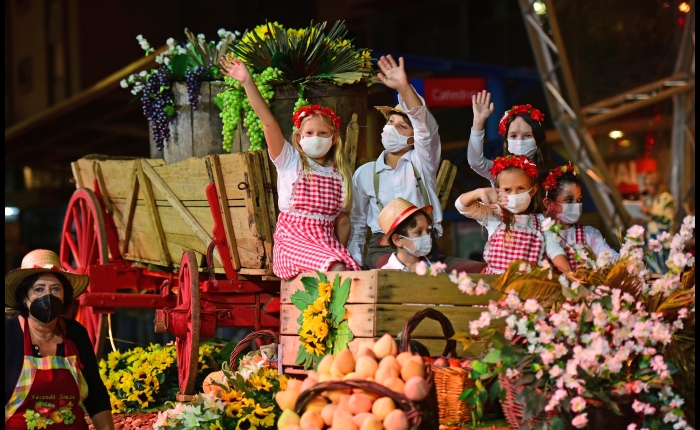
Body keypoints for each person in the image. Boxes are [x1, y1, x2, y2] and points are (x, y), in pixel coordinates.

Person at [220, 55, 359, 279]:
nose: (316, 137)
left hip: (326, 246)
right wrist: (247, 82)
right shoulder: (290, 161)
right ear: (299, 137)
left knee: (351, 269)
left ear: (333, 139)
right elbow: (268, 122)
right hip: (292, 245)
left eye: (323, 133)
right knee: (336, 269)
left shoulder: (340, 174)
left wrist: (339, 251)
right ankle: (321, 312)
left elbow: (343, 222)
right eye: (310, 133)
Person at [349, 54, 484, 273]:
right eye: (391, 122)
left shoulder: (422, 162)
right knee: (399, 269)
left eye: (402, 126)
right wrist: (355, 265)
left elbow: (424, 126)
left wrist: (403, 87)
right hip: (382, 250)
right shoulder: (365, 173)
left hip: (424, 246)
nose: (392, 128)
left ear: (414, 138)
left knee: (480, 270)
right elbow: (356, 224)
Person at [5, 249, 113, 430]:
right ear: (24, 298)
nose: (48, 296)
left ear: (64, 296)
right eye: (38, 289)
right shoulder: (9, 334)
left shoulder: (75, 333)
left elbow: (96, 394)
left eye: (55, 289)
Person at [455, 155, 571, 274]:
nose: (514, 194)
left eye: (520, 188)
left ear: (533, 190)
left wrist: (569, 272)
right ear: (497, 190)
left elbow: (554, 249)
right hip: (494, 285)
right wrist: (479, 193)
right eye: (507, 190)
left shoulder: (542, 222)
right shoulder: (493, 214)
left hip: (527, 287)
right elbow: (461, 206)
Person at [541, 163, 619, 269]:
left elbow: (609, 257)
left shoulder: (589, 234)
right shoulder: (539, 236)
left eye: (579, 200)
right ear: (549, 203)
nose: (576, 205)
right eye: (569, 200)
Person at [467, 91, 553, 186]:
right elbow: (475, 161)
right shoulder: (499, 170)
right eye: (513, 136)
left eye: (527, 135)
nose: (519, 141)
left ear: (538, 139)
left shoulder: (552, 177)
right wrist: (478, 121)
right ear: (506, 140)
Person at [377, 197, 445, 273]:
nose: (427, 236)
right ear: (397, 240)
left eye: (428, 231)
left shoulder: (438, 271)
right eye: (419, 232)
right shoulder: (386, 275)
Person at [640, 171, 675, 273]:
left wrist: (650, 213)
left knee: (663, 272)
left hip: (663, 243)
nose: (648, 188)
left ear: (657, 184)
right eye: (646, 185)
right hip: (653, 241)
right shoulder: (655, 199)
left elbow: (667, 220)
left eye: (650, 184)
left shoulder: (666, 198)